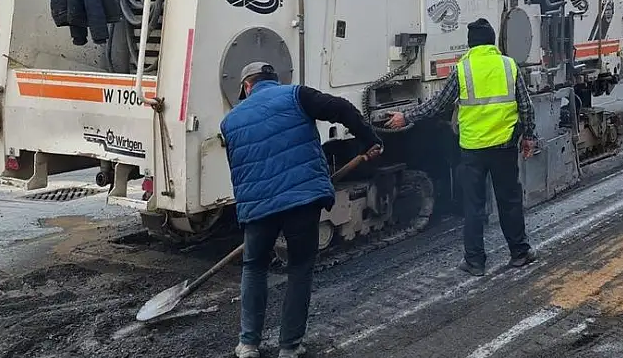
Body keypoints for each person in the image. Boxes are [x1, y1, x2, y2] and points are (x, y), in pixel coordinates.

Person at [220, 62, 383, 358]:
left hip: (257, 206)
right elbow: (342, 108)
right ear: (274, 80)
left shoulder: (230, 121)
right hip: (301, 200)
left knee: (254, 267)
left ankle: (248, 344)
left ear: (247, 87)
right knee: (299, 268)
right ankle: (289, 346)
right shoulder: (296, 96)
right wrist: (369, 139)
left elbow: (237, 169)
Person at [386, 18, 537, 277]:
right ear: (492, 41)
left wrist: (406, 117)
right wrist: (529, 136)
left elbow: (438, 105)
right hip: (504, 147)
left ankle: (475, 262)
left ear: (470, 44)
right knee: (509, 201)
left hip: (473, 150)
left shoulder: (462, 69)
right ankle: (520, 253)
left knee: (474, 206)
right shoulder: (508, 65)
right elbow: (526, 106)